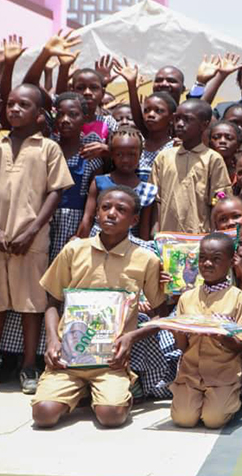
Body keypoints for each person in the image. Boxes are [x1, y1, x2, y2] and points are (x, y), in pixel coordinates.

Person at [31, 186, 164, 428]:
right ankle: (81, 392)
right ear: (96, 213)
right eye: (105, 207)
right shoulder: (74, 250)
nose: (111, 213)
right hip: (68, 358)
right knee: (43, 415)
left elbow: (161, 314)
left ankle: (119, 388)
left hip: (112, 360)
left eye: (121, 210)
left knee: (111, 416)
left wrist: (132, 337)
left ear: (134, 220)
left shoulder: (146, 259)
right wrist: (52, 340)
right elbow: (52, 302)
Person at [0, 84, 75, 393]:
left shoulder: (48, 148)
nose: (15, 109)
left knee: (31, 305)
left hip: (31, 239)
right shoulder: (0, 143)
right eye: (11, 104)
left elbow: (55, 191)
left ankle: (29, 365)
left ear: (40, 114)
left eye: (24, 105)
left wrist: (31, 231)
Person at [170, 233, 242, 429]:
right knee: (184, 419)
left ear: (231, 262)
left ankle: (235, 395)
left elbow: (240, 346)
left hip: (222, 374)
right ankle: (198, 399)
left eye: (216, 259)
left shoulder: (239, 299)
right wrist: (177, 329)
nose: (207, 264)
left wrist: (219, 334)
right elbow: (182, 346)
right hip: (190, 374)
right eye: (202, 259)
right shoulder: (187, 298)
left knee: (213, 420)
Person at [150, 101, 232, 234]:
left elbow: (219, 200)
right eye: (177, 119)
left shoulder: (212, 159)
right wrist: (155, 232)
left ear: (204, 125)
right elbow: (156, 200)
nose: (180, 124)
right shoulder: (164, 157)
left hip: (199, 237)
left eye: (187, 120)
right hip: (166, 237)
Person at [49, 93, 104, 262]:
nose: (65, 119)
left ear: (85, 118)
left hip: (74, 221)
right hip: (47, 219)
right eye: (60, 114)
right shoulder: (49, 147)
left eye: (73, 115)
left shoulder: (90, 152)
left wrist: (84, 228)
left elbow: (93, 195)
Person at [77, 127, 157, 240]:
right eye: (119, 154)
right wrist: (80, 244)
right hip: (97, 240)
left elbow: (144, 229)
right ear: (111, 155)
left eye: (131, 154)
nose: (125, 160)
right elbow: (88, 218)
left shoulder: (147, 191)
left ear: (140, 154)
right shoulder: (99, 182)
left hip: (128, 247)